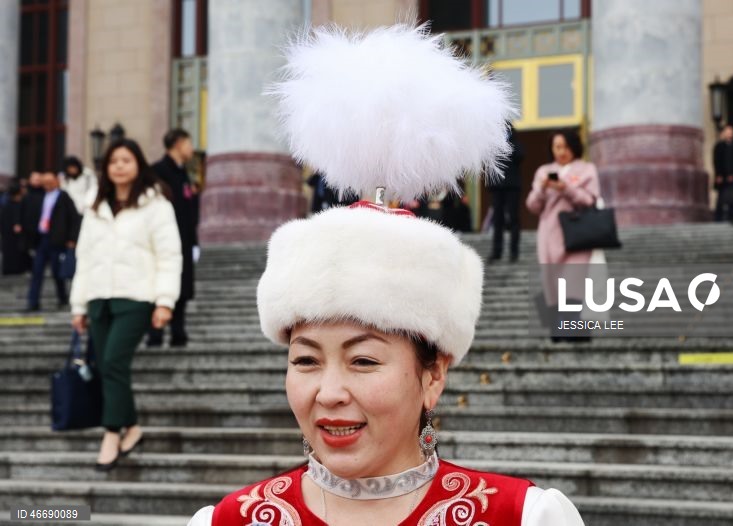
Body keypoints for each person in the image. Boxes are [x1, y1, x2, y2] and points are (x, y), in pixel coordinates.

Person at [187, 24, 583, 526]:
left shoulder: (522, 517)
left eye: (364, 360)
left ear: (433, 373)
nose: (328, 393)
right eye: (305, 360)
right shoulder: (231, 520)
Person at [70, 138, 182, 471]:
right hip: (98, 298)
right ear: (105, 168)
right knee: (105, 366)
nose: (119, 166)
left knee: (115, 361)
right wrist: (78, 305)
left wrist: (165, 301)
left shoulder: (156, 204)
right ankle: (131, 426)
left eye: (126, 160)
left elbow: (169, 255)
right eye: (113, 161)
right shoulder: (94, 206)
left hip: (137, 297)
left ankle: (111, 433)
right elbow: (84, 257)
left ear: (138, 165)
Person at [525, 130, 600, 342]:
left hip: (577, 234)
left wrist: (565, 188)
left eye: (565, 147)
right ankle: (562, 331)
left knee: (573, 283)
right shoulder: (544, 171)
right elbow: (532, 205)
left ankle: (571, 330)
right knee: (552, 283)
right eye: (557, 147)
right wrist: (542, 188)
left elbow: (589, 200)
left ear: (574, 147)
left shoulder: (587, 170)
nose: (561, 152)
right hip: (549, 235)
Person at [146, 129, 197, 347]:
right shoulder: (156, 171)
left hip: (184, 240)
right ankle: (155, 335)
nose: (191, 149)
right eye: (188, 143)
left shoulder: (184, 173)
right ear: (177, 143)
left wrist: (194, 241)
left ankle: (178, 333)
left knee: (182, 287)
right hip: (162, 238)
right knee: (160, 284)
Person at [21, 170, 79, 311]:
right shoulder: (39, 196)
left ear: (56, 182)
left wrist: (71, 238)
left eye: (50, 182)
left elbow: (73, 218)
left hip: (58, 239)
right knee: (37, 271)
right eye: (44, 183)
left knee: (57, 271)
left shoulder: (63, 197)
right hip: (42, 238)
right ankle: (33, 301)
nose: (47, 185)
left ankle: (62, 297)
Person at [488, 123, 524, 261]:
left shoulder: (515, 144)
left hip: (512, 187)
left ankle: (514, 252)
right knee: (498, 220)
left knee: (513, 219)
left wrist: (508, 143)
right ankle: (497, 251)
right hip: (497, 187)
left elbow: (520, 156)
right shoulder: (493, 146)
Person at [0, 180, 31, 275]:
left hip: (10, 231)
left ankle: (15, 268)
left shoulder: (10, 203)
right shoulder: (9, 203)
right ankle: (12, 269)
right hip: (9, 231)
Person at [712, 125, 733, 222]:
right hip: (722, 176)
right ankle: (719, 218)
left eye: (731, 131)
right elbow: (716, 161)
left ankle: (732, 217)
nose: (729, 133)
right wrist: (719, 175)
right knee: (721, 198)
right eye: (727, 131)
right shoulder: (719, 146)